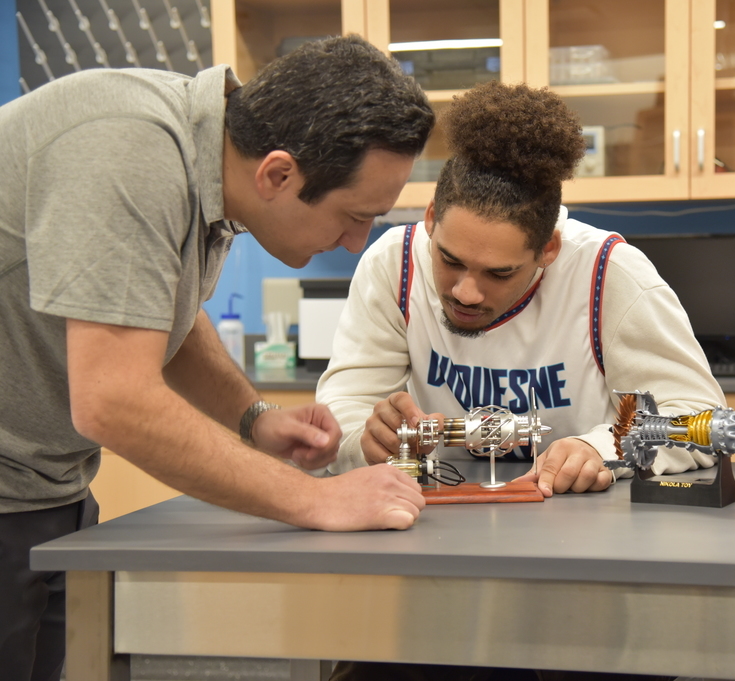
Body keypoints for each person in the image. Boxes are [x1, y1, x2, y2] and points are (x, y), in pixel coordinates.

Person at [0, 35, 434, 681]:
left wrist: (253, 417)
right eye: (353, 215)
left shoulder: (204, 164)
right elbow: (113, 401)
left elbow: (154, 310)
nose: (355, 241)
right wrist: (315, 499)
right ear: (278, 174)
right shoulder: (127, 150)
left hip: (45, 488)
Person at [317, 80, 725, 500]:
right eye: (450, 260)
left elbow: (700, 418)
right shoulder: (396, 263)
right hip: (440, 511)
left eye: (499, 273)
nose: (466, 292)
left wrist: (602, 447)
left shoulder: (608, 273)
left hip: (581, 520)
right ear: (432, 218)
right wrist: (364, 442)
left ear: (548, 249)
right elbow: (343, 410)